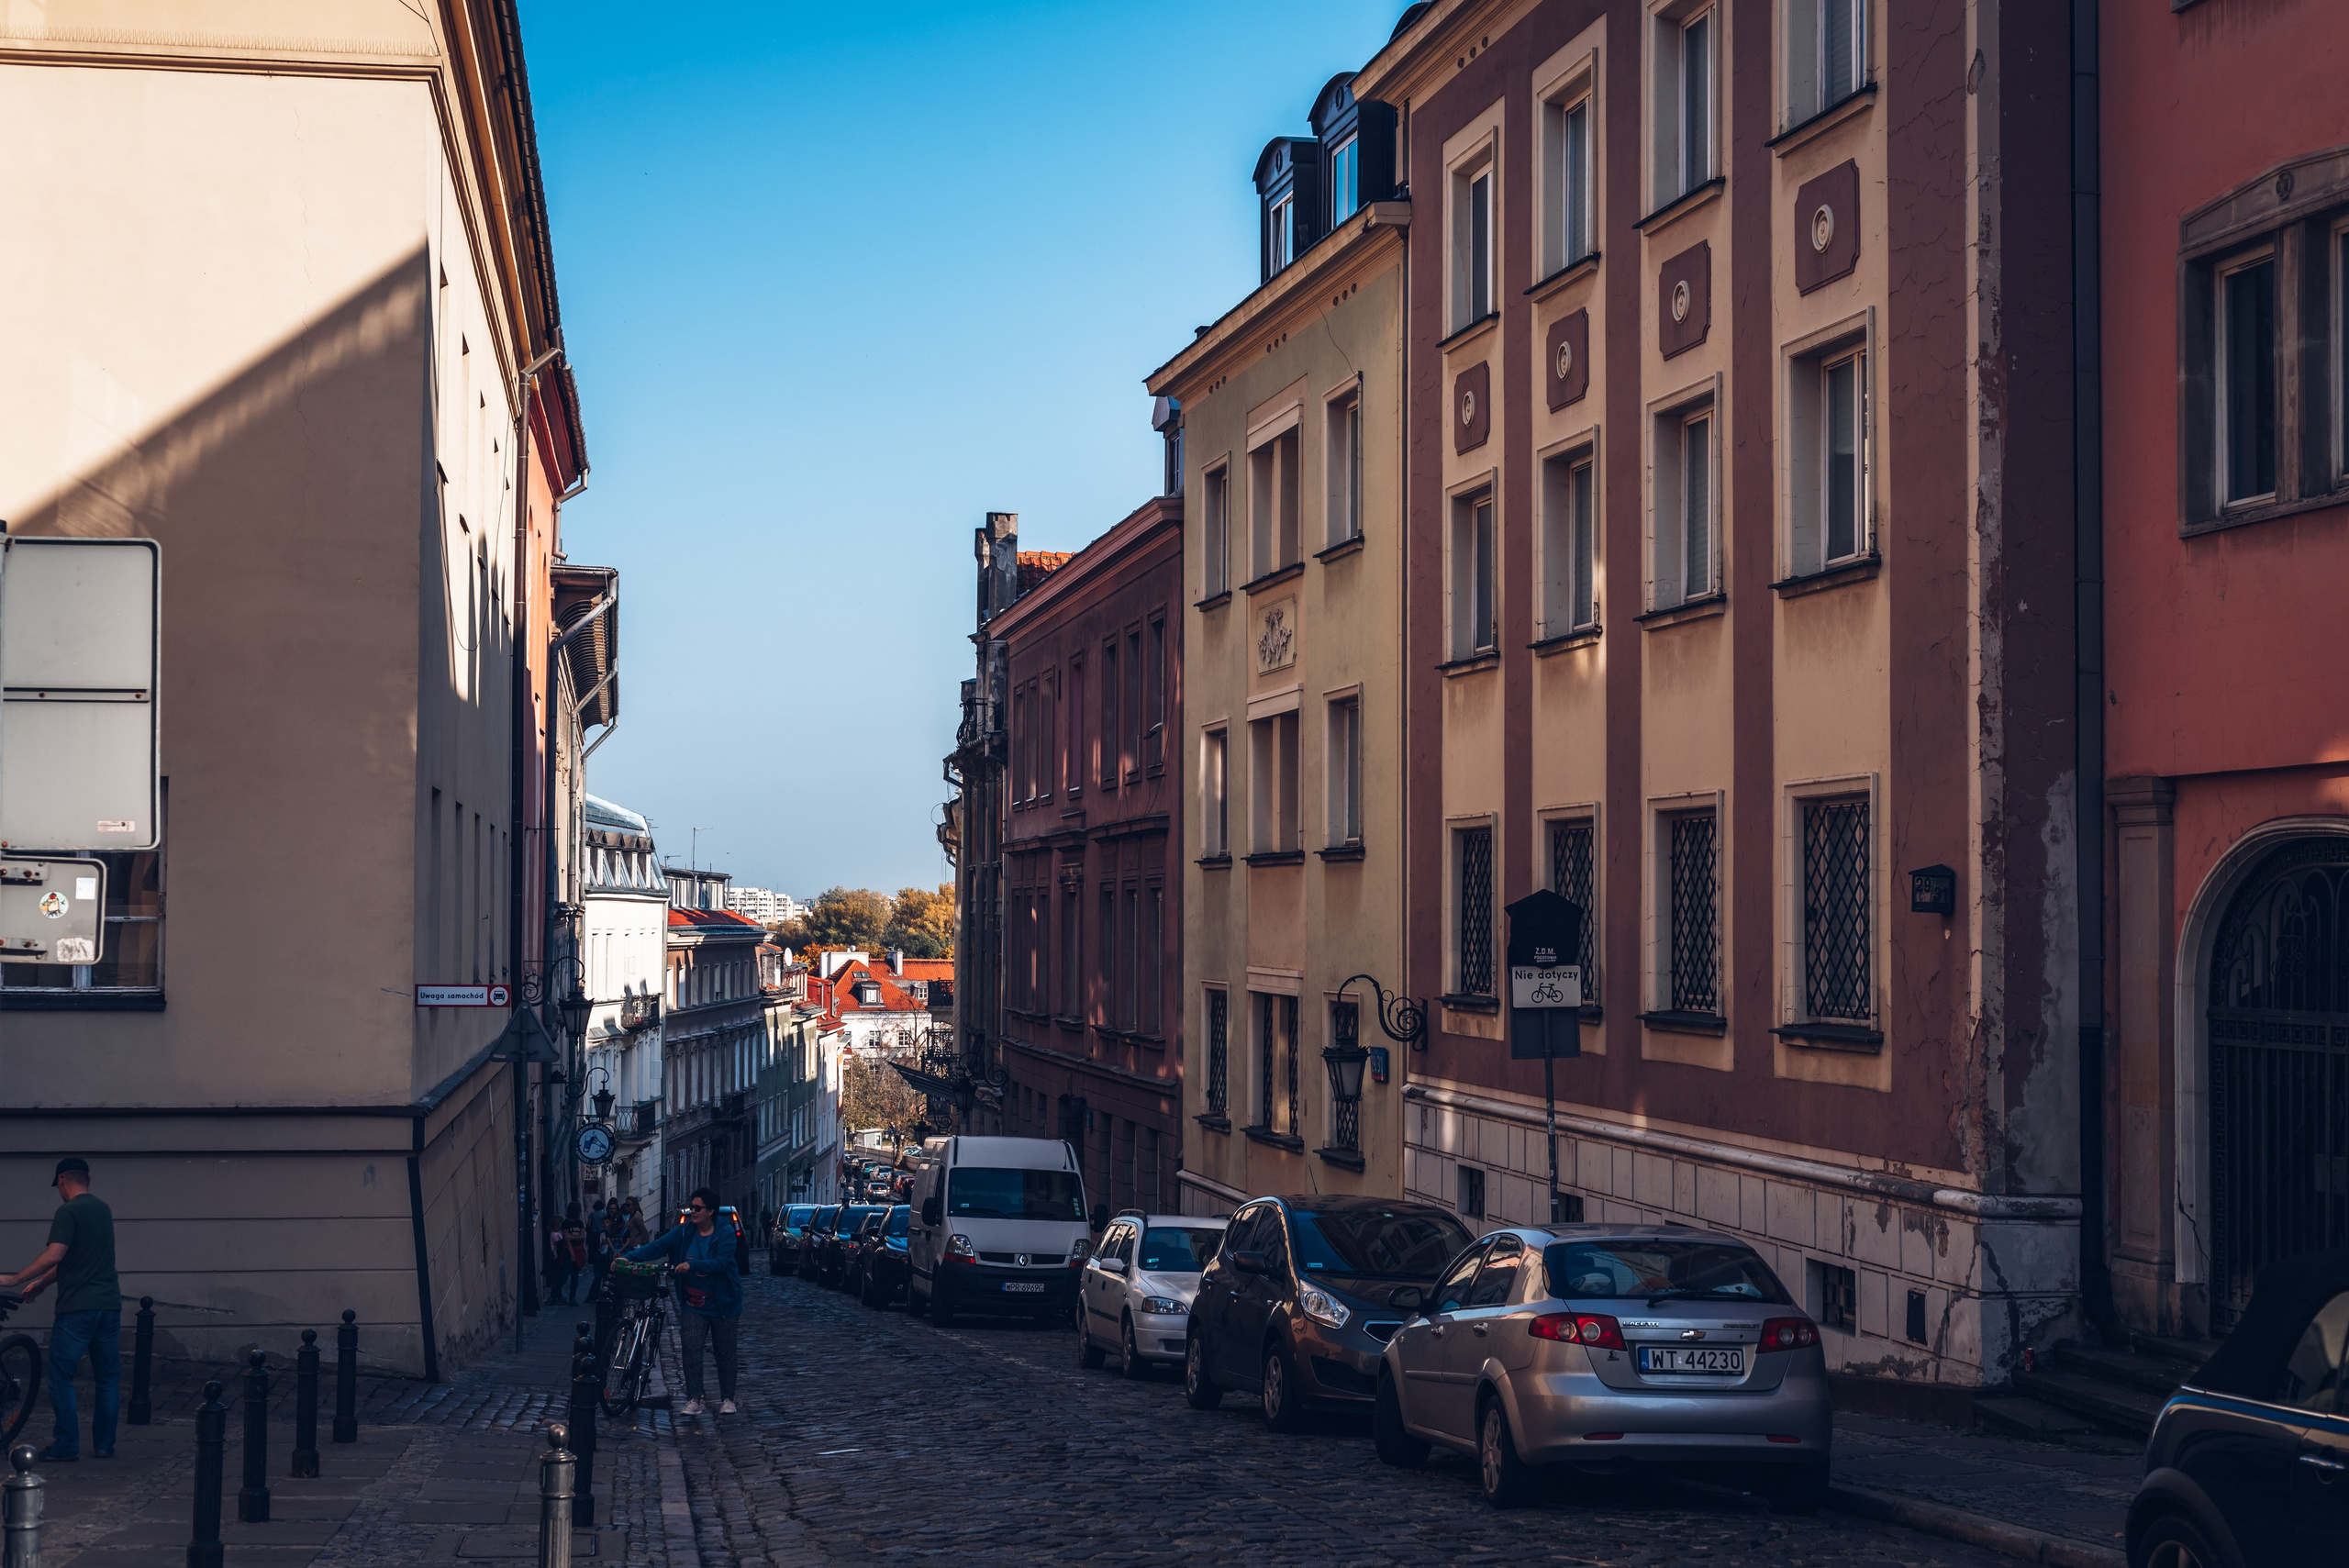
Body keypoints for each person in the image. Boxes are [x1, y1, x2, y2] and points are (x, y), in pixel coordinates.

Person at [1, 1157, 124, 1462]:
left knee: (60, 1376)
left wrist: (15, 1279)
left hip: (78, 1309)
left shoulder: (68, 1211)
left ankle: (67, 1444)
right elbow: (78, 1259)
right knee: (107, 1378)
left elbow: (56, 1254)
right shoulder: (102, 1209)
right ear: (89, 1181)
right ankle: (105, 1445)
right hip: (108, 1306)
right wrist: (41, 1284)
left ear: (62, 1181)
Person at [624, 1186, 741, 1416]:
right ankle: (694, 1398)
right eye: (691, 1207)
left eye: (698, 1208)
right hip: (694, 1302)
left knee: (725, 1351)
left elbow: (722, 1263)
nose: (692, 1212)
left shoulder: (725, 1233)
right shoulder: (685, 1231)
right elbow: (658, 1246)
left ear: (711, 1211)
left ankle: (728, 1398)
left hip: (723, 1303)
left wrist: (692, 1265)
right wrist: (627, 1258)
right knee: (690, 1348)